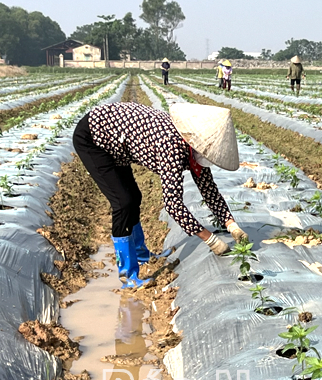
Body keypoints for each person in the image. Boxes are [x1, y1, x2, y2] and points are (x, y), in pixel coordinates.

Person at [73, 102, 249, 288]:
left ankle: (141, 254)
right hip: (94, 138)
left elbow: (209, 189)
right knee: (123, 203)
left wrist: (232, 225)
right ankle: (128, 276)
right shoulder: (171, 145)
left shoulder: (195, 146)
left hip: (117, 141)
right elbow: (172, 203)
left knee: (134, 197)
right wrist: (210, 239)